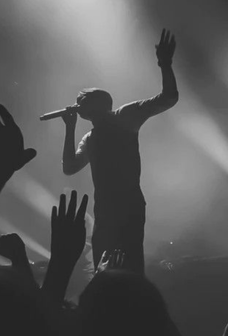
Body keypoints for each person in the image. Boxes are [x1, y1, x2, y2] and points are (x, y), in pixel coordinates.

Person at [61, 29, 179, 274]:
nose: (76, 104)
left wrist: (165, 64)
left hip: (127, 206)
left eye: (81, 100)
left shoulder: (125, 116)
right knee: (103, 269)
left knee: (129, 267)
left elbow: (168, 98)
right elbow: (69, 168)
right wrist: (69, 128)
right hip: (104, 210)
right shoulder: (90, 138)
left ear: (97, 103)